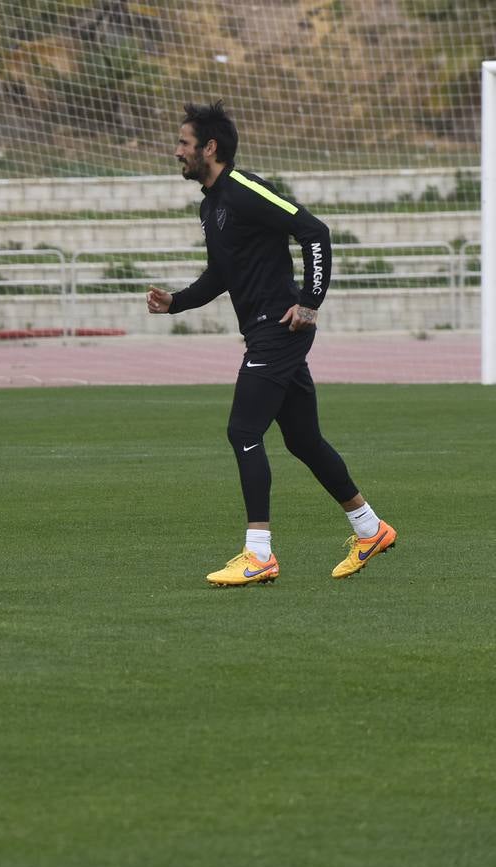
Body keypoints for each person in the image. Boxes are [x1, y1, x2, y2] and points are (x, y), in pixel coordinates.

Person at [146, 101, 396, 586]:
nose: (176, 151)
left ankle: (258, 552)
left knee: (243, 431)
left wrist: (309, 301)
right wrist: (175, 302)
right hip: (264, 330)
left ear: (209, 148)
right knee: (303, 440)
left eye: (183, 143)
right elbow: (222, 273)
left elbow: (314, 231)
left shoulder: (244, 190)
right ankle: (370, 528)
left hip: (280, 329)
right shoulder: (211, 204)